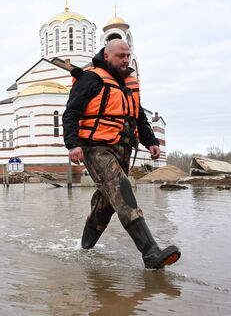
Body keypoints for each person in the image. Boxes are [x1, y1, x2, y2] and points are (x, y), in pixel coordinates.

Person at [63, 39, 180, 269]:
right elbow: (70, 114)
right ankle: (151, 253)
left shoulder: (129, 83)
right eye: (121, 56)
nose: (126, 60)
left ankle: (84, 250)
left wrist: (151, 142)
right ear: (107, 56)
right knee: (122, 189)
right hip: (95, 148)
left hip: (123, 149)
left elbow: (138, 117)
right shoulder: (90, 79)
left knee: (105, 205)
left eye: (128, 55)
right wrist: (72, 144)